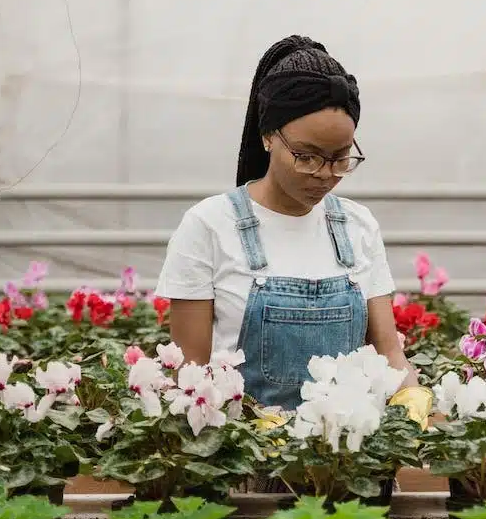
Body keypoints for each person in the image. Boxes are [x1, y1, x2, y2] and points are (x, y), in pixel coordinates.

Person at [155, 34, 432, 427]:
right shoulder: (209, 227)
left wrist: (410, 395)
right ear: (268, 136)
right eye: (306, 157)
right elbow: (190, 376)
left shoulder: (357, 227)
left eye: (340, 159)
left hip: (346, 454)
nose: (324, 174)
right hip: (244, 457)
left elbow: (390, 354)